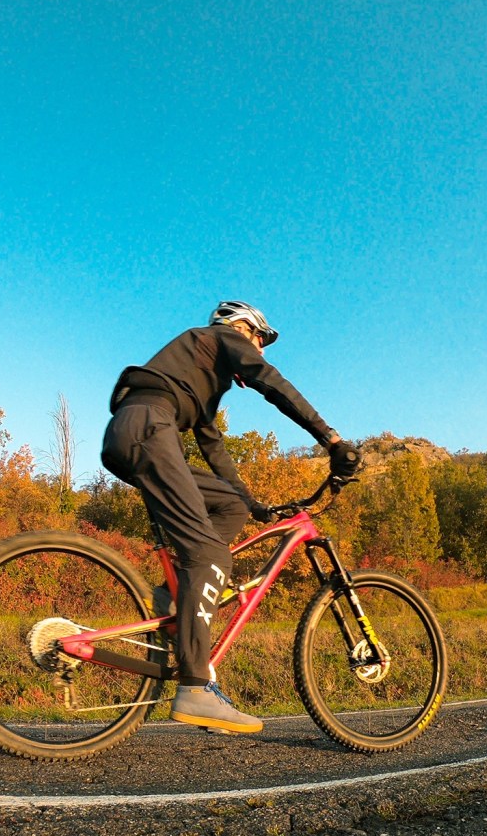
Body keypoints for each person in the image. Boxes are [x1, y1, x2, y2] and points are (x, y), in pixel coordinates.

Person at [101, 301, 361, 734]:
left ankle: (172, 597)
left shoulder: (201, 374)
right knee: (211, 556)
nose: (260, 350)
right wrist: (331, 440)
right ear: (241, 327)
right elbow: (271, 383)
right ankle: (195, 688)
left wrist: (252, 504)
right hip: (148, 428)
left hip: (135, 431)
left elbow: (213, 447)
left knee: (230, 505)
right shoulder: (222, 337)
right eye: (259, 339)